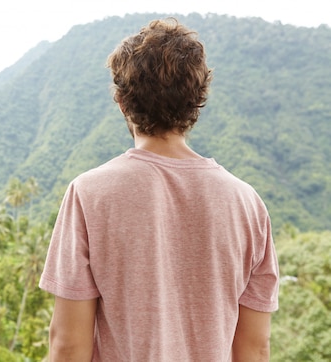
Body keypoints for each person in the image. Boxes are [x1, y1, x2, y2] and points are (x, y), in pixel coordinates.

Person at [38, 18, 279, 361]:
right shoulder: (248, 205)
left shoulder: (89, 194)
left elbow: (68, 348)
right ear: (197, 101)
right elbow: (255, 350)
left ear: (122, 102)